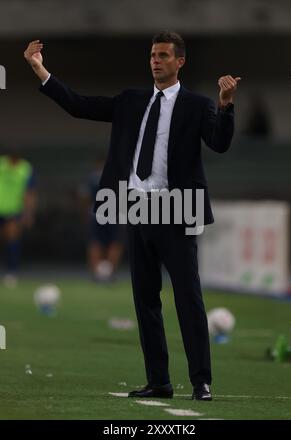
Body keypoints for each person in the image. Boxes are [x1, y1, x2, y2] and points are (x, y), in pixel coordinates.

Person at [24, 31, 240, 400]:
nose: (155, 60)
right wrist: (40, 70)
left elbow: (219, 143)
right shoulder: (130, 100)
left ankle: (201, 379)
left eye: (163, 55)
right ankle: (159, 381)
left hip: (177, 208)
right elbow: (79, 105)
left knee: (188, 297)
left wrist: (225, 105)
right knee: (145, 299)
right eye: (153, 55)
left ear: (179, 61)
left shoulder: (197, 104)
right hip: (137, 206)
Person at [78, 156, 123, 281]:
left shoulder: (91, 178)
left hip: (96, 214)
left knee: (95, 243)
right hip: (114, 214)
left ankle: (95, 274)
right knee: (115, 243)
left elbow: (84, 198)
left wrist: (85, 214)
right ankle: (111, 273)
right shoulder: (117, 176)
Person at [0, 146, 36, 287]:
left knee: (12, 239)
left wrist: (28, 213)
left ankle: (11, 272)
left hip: (13, 210)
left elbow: (30, 192)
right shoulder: (1, 164)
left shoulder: (25, 169)